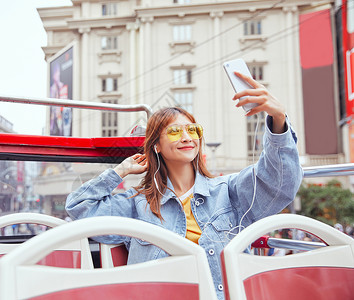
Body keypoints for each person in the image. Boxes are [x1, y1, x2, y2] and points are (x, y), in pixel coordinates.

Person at [65, 72, 303, 299]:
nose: (187, 137)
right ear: (156, 145)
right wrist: (120, 171)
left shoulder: (227, 191)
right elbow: (78, 206)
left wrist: (278, 120)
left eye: (193, 130)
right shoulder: (136, 205)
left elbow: (280, 185)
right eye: (175, 131)